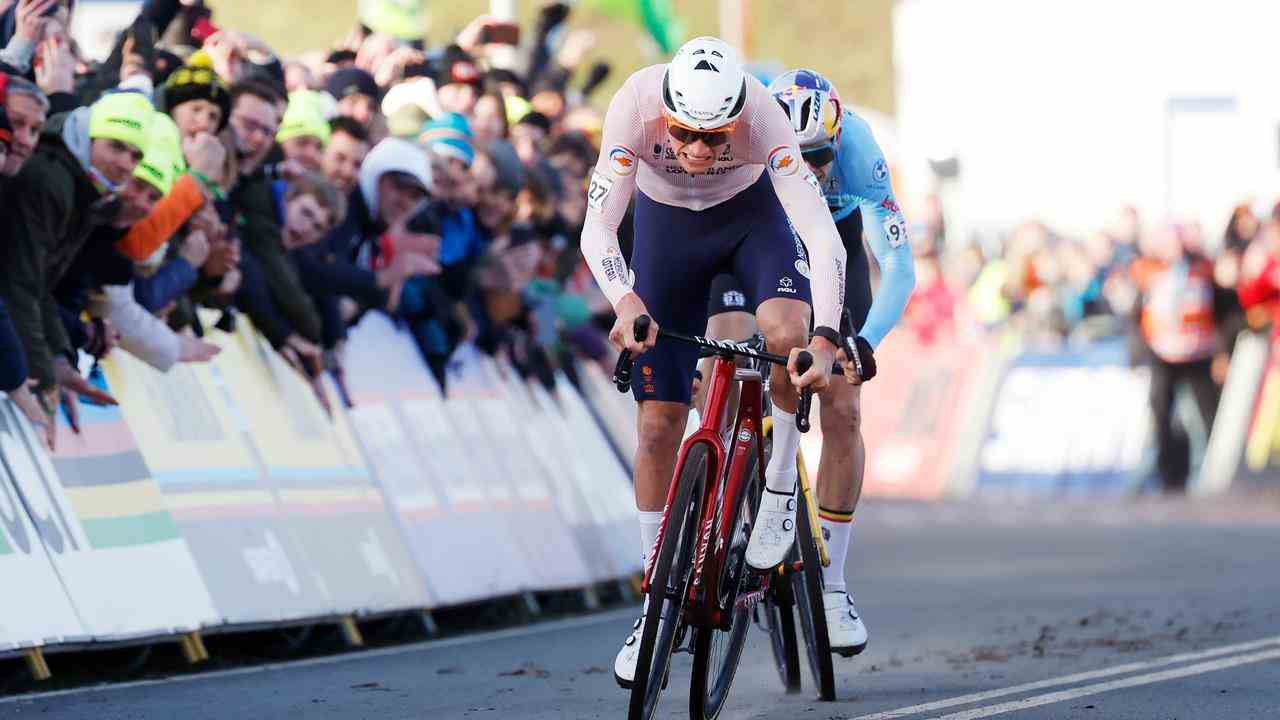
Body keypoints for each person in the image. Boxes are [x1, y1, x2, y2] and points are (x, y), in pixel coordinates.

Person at [580, 37, 847, 687]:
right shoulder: (633, 104)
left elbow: (817, 230)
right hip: (667, 232)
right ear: (663, 112)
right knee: (655, 426)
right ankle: (655, 604)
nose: (698, 152)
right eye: (683, 135)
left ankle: (781, 485)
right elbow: (598, 228)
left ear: (739, 120)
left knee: (786, 331)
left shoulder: (763, 115)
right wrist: (624, 299)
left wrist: (830, 337)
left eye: (714, 138)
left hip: (751, 221)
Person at [700, 68, 915, 655]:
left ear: (837, 140)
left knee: (843, 409)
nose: (811, 169)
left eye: (819, 155)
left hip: (834, 246)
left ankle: (835, 586)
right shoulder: (744, 134)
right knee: (718, 350)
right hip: (760, 232)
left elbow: (897, 266)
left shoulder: (863, 155)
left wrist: (864, 341)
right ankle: (714, 504)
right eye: (798, 155)